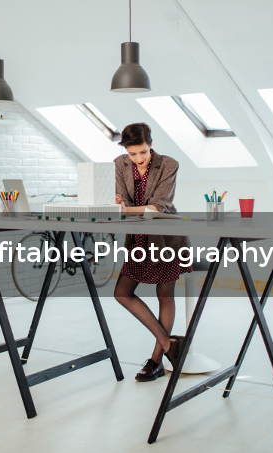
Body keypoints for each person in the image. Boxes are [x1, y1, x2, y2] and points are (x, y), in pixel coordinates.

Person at [113, 123, 192, 382]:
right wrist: (122, 206)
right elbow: (121, 199)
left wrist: (126, 208)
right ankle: (170, 344)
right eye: (132, 153)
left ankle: (156, 361)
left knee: (164, 294)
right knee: (122, 293)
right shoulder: (120, 164)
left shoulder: (169, 164)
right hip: (138, 238)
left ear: (151, 144)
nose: (138, 158)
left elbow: (158, 206)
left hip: (165, 237)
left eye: (143, 152)